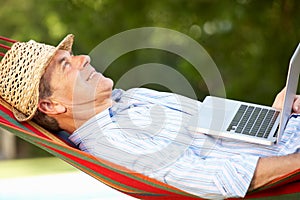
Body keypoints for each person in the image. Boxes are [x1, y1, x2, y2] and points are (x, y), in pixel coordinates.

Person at [0, 34, 299, 199]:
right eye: (66, 64)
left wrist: (277, 115)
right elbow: (226, 177)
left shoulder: (129, 98)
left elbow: (225, 133)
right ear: (52, 107)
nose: (84, 59)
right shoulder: (114, 145)